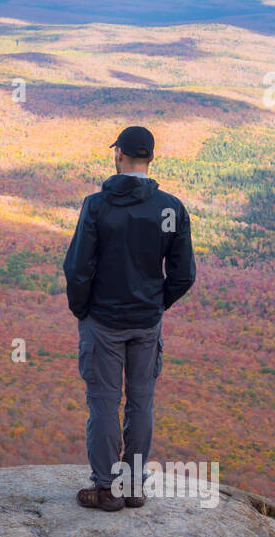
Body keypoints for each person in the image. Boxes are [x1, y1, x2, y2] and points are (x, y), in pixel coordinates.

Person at [63, 126, 196, 511]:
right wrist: (154, 304)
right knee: (141, 402)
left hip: (102, 321)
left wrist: (82, 309)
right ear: (150, 158)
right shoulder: (170, 209)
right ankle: (134, 486)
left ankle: (106, 489)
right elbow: (183, 274)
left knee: (103, 402)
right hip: (145, 323)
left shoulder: (97, 206)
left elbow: (77, 269)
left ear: (118, 154)